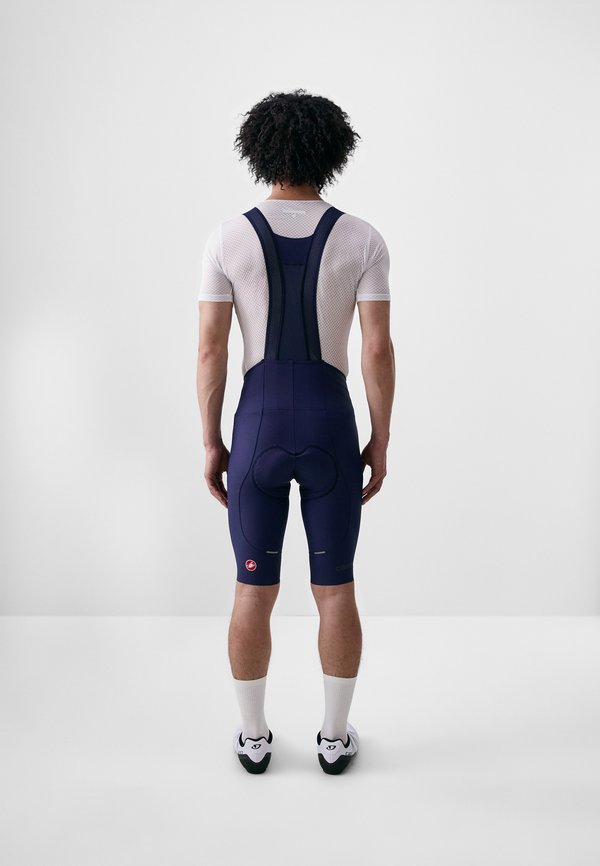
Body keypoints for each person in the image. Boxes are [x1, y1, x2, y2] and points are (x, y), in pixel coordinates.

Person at [196, 89, 395, 774]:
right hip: (331, 426)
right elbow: (376, 350)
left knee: (253, 589)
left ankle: (254, 737)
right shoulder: (362, 238)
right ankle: (334, 738)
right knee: (334, 588)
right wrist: (380, 439)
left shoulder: (226, 238)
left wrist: (212, 441)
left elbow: (211, 350)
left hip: (256, 428)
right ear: (333, 152)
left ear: (258, 150)